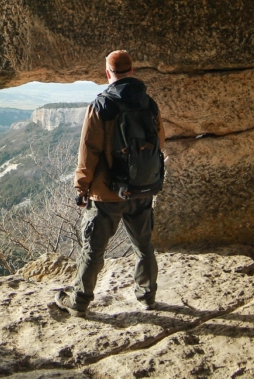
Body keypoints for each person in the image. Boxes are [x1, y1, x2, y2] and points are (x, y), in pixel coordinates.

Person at [54, 49, 165, 316]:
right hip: (142, 189)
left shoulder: (102, 105)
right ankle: (147, 296)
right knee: (144, 246)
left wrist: (81, 188)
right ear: (132, 72)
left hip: (107, 194)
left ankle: (80, 300)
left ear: (107, 73)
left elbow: (88, 153)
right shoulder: (148, 103)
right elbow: (159, 143)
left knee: (93, 250)